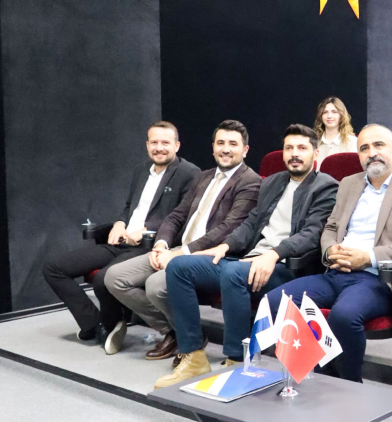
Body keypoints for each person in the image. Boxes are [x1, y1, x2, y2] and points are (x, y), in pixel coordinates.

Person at [152, 125, 339, 389]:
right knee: (180, 266)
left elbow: (311, 234)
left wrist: (273, 254)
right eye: (289, 148)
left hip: (287, 267)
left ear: (315, 153)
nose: (294, 154)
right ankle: (193, 355)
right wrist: (225, 246)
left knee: (232, 273)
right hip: (248, 260)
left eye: (302, 148)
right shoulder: (273, 182)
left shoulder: (326, 186)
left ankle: (237, 361)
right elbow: (250, 223)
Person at [265, 124, 392, 383]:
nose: (372, 153)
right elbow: (331, 228)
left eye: (378, 145)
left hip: (380, 278)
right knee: (275, 301)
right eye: (364, 148)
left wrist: (368, 257)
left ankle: (349, 386)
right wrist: (330, 250)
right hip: (336, 272)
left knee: (344, 316)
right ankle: (317, 375)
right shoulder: (349, 183)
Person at [104, 120, 262, 356]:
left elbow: (227, 228)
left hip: (210, 257)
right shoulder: (203, 177)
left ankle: (190, 339)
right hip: (176, 249)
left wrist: (180, 253)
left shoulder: (251, 182)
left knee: (156, 285)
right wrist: (161, 244)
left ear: (245, 150)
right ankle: (177, 331)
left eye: (233, 144)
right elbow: (176, 216)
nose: (225, 149)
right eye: (220, 143)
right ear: (213, 147)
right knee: (115, 277)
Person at [43, 122, 199, 345]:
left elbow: (183, 219)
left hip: (149, 246)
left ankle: (111, 324)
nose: (159, 148)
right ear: (147, 145)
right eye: (154, 142)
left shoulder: (189, 173)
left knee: (102, 278)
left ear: (177, 145)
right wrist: (119, 223)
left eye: (165, 143)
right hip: (121, 241)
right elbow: (129, 207)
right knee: (54, 268)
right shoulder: (141, 170)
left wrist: (146, 230)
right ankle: (94, 323)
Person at [314, 96, 358, 168]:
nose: (329, 116)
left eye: (334, 112)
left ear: (341, 115)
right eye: (325, 112)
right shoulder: (313, 143)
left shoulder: (353, 142)